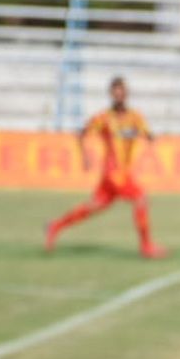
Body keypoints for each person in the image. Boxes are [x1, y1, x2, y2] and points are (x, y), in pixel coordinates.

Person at [44, 76, 168, 259]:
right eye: (115, 92)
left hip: (119, 173)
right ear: (111, 94)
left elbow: (147, 134)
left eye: (122, 92)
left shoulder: (135, 117)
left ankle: (55, 226)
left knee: (94, 206)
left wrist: (151, 140)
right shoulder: (103, 118)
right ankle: (146, 246)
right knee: (141, 198)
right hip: (113, 172)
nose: (119, 96)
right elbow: (81, 134)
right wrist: (85, 157)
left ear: (126, 94)